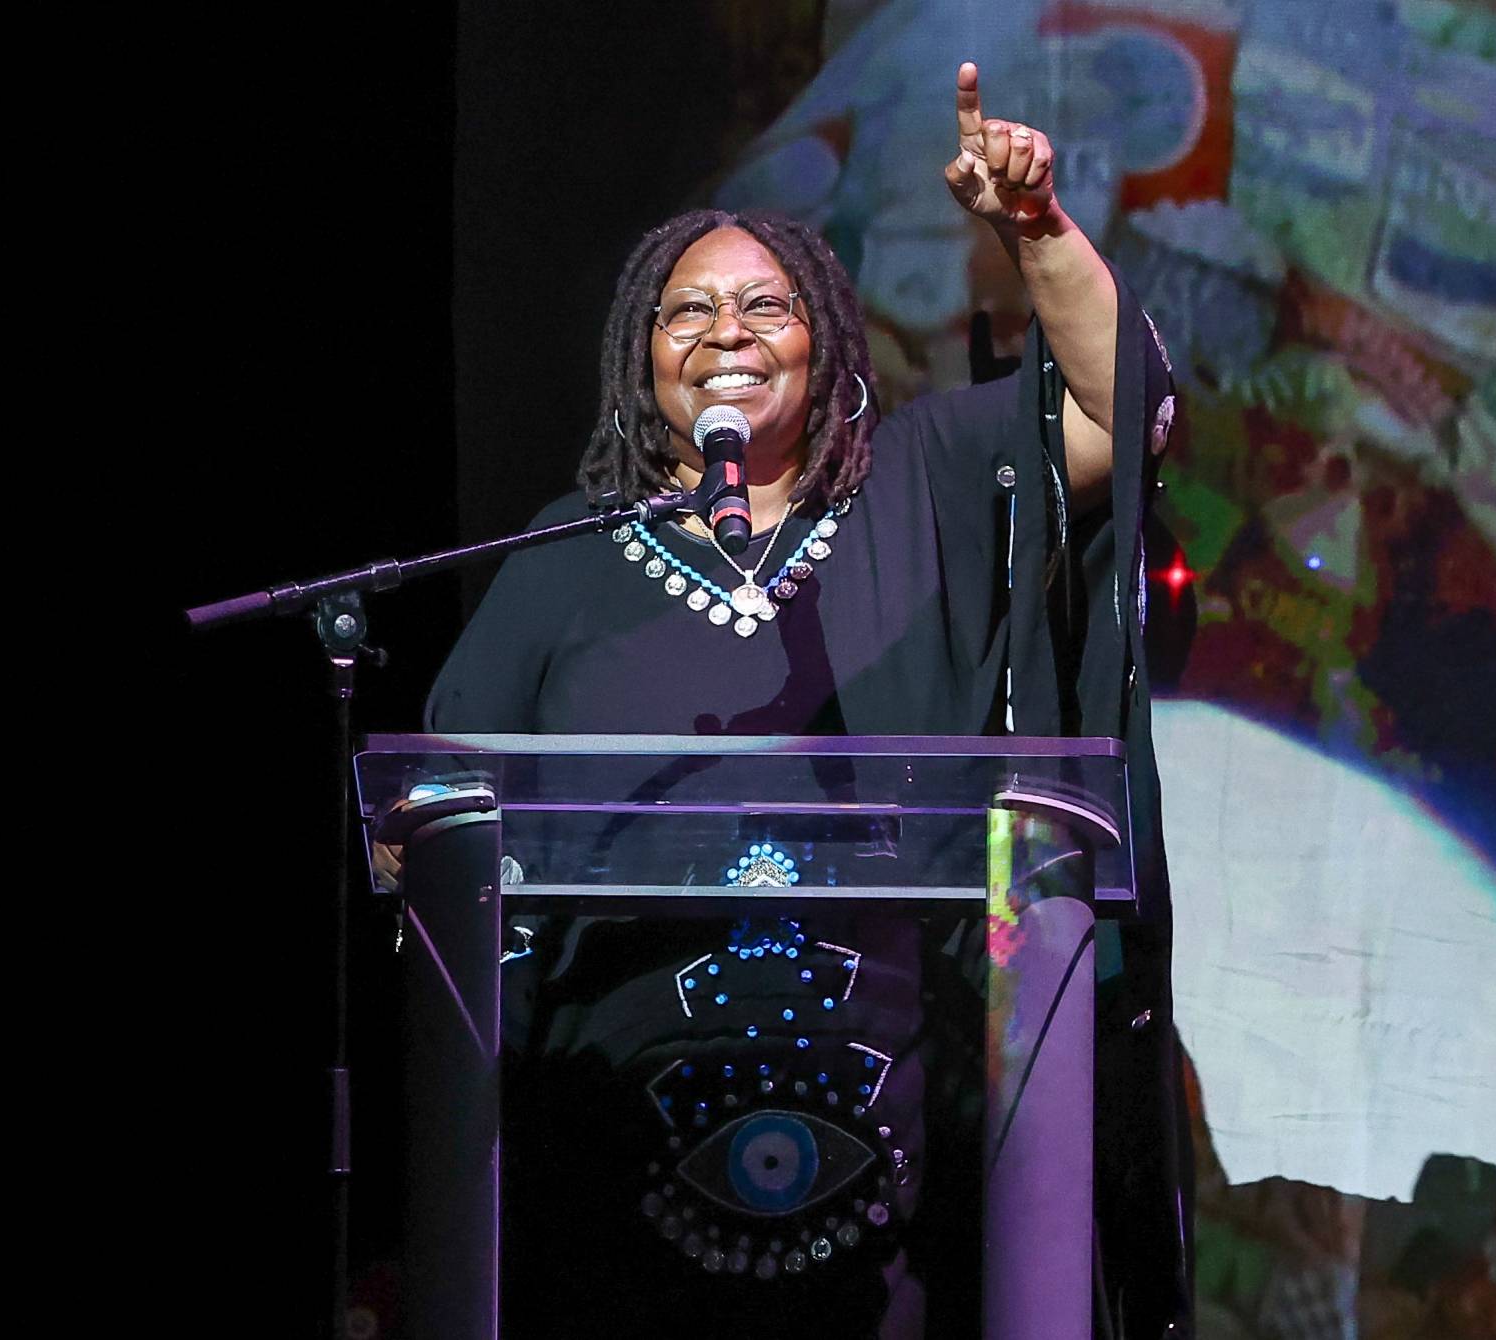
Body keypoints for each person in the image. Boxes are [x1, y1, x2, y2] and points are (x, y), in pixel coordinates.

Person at [421, 62, 1189, 1337]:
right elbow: (434, 812)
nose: (726, 330)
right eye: (687, 312)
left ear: (825, 337)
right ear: (638, 357)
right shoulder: (566, 549)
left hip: (906, 1134)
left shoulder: (929, 478)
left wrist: (1035, 230)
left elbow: (1130, 411)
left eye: (765, 304)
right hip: (613, 1136)